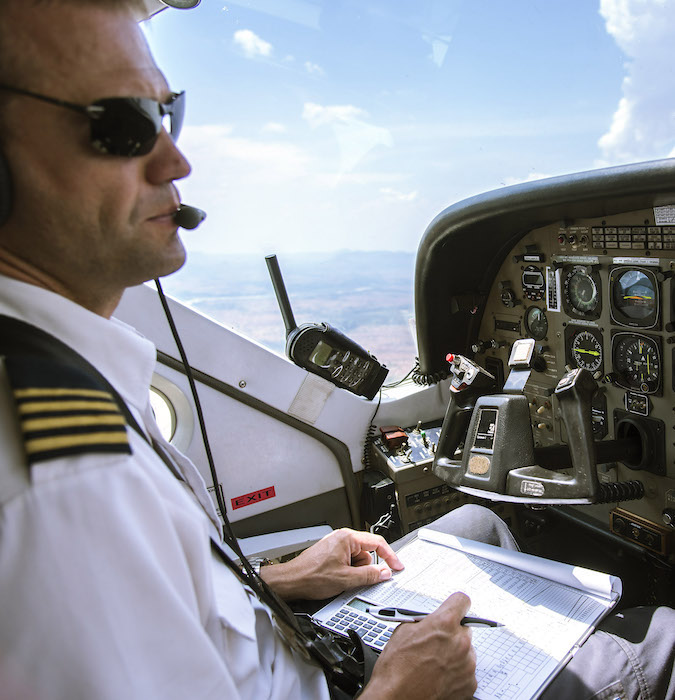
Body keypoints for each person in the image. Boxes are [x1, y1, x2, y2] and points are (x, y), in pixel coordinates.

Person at [0, 2, 672, 699]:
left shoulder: (60, 376)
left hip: (299, 643)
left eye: (167, 115)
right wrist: (403, 689)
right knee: (660, 647)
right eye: (125, 125)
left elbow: (157, 606)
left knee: (479, 520)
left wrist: (275, 581)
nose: (176, 159)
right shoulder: (54, 488)